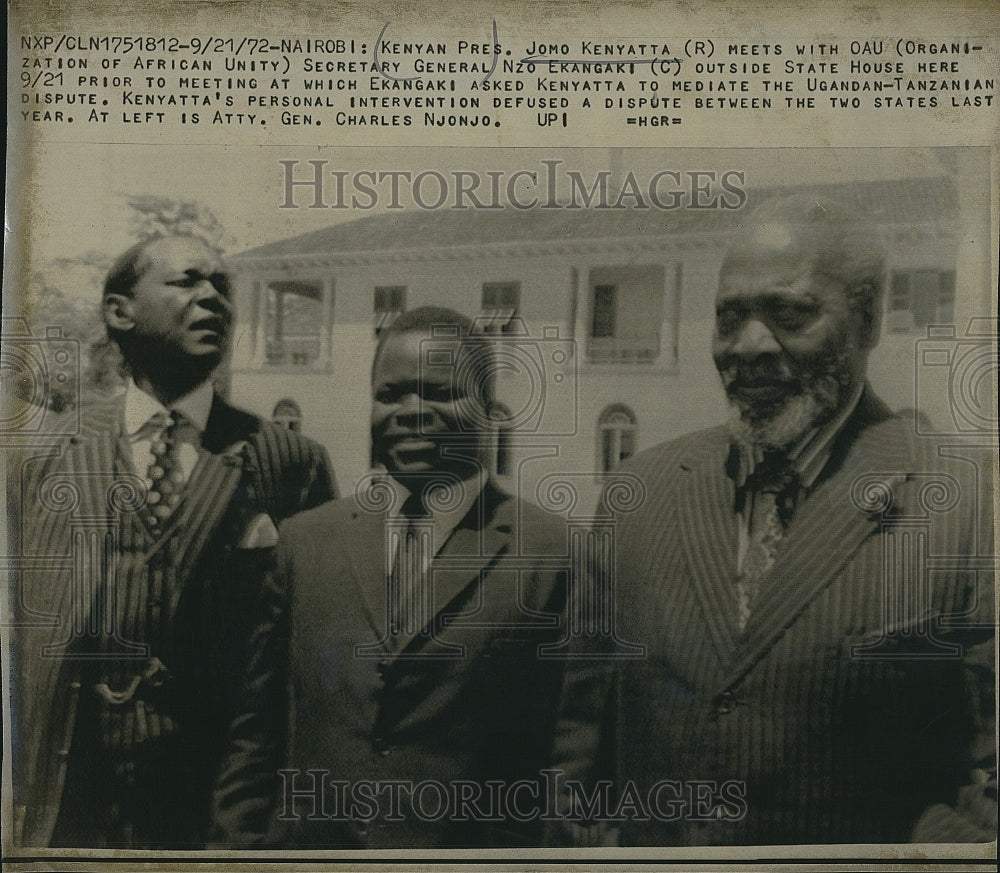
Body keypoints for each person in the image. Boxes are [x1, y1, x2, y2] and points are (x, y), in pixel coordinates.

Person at [550, 196, 996, 845]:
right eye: (729, 316)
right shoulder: (637, 495)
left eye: (790, 313)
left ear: (868, 319)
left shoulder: (967, 501)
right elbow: (580, 761)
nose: (750, 345)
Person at [7, 235, 338, 848]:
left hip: (216, 808)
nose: (213, 297)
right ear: (119, 312)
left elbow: (312, 659)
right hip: (69, 803)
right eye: (187, 281)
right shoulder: (41, 457)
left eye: (223, 287)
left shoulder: (290, 463)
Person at [211, 306, 570, 848]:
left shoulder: (552, 554)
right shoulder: (307, 543)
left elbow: (573, 763)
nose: (410, 411)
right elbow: (255, 738)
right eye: (391, 394)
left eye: (438, 393)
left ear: (492, 411)